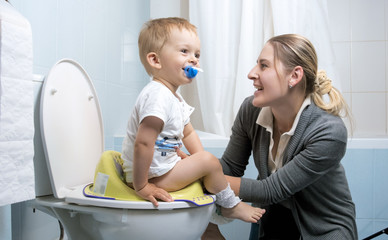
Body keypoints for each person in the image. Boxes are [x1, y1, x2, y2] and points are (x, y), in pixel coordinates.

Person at [202, 34, 357, 239]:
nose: (251, 73)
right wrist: (187, 167)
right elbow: (231, 167)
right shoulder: (251, 110)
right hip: (272, 222)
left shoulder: (328, 131)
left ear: (294, 76)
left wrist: (200, 175)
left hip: (324, 230)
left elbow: (270, 190)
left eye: (264, 66)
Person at [121, 17, 265, 223]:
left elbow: (187, 132)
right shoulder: (157, 96)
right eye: (184, 51)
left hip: (159, 169)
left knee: (206, 163)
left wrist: (199, 161)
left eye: (197, 54)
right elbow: (143, 143)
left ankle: (210, 227)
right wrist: (142, 185)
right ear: (155, 60)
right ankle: (230, 206)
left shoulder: (173, 97)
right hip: (150, 176)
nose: (194, 59)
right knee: (208, 162)